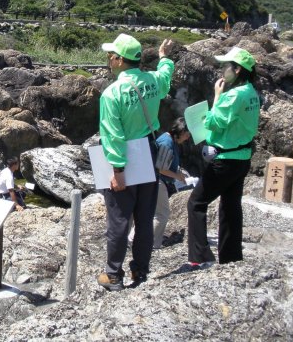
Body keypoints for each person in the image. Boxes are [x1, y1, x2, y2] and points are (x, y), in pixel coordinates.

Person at [97, 34, 174, 291]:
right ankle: (140, 269)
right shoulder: (152, 81)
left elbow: (113, 135)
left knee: (119, 219)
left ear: (119, 60)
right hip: (149, 152)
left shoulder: (112, 93)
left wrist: (117, 170)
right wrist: (165, 58)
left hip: (126, 158)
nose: (108, 59)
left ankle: (113, 275)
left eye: (111, 55)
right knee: (144, 217)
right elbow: (164, 77)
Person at [187, 47, 260, 267]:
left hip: (225, 159)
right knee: (230, 207)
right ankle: (231, 257)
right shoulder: (251, 92)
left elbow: (214, 123)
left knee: (196, 202)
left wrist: (217, 97)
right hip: (242, 156)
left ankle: (200, 256)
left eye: (226, 66)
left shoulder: (234, 95)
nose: (222, 69)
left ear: (237, 70)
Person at [128, 117, 190, 249]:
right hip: (158, 180)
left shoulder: (169, 140)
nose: (188, 137)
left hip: (154, 179)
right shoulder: (167, 143)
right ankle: (150, 244)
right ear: (181, 131)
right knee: (162, 214)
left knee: (149, 212)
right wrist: (178, 176)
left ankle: (134, 238)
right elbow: (161, 168)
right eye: (187, 134)